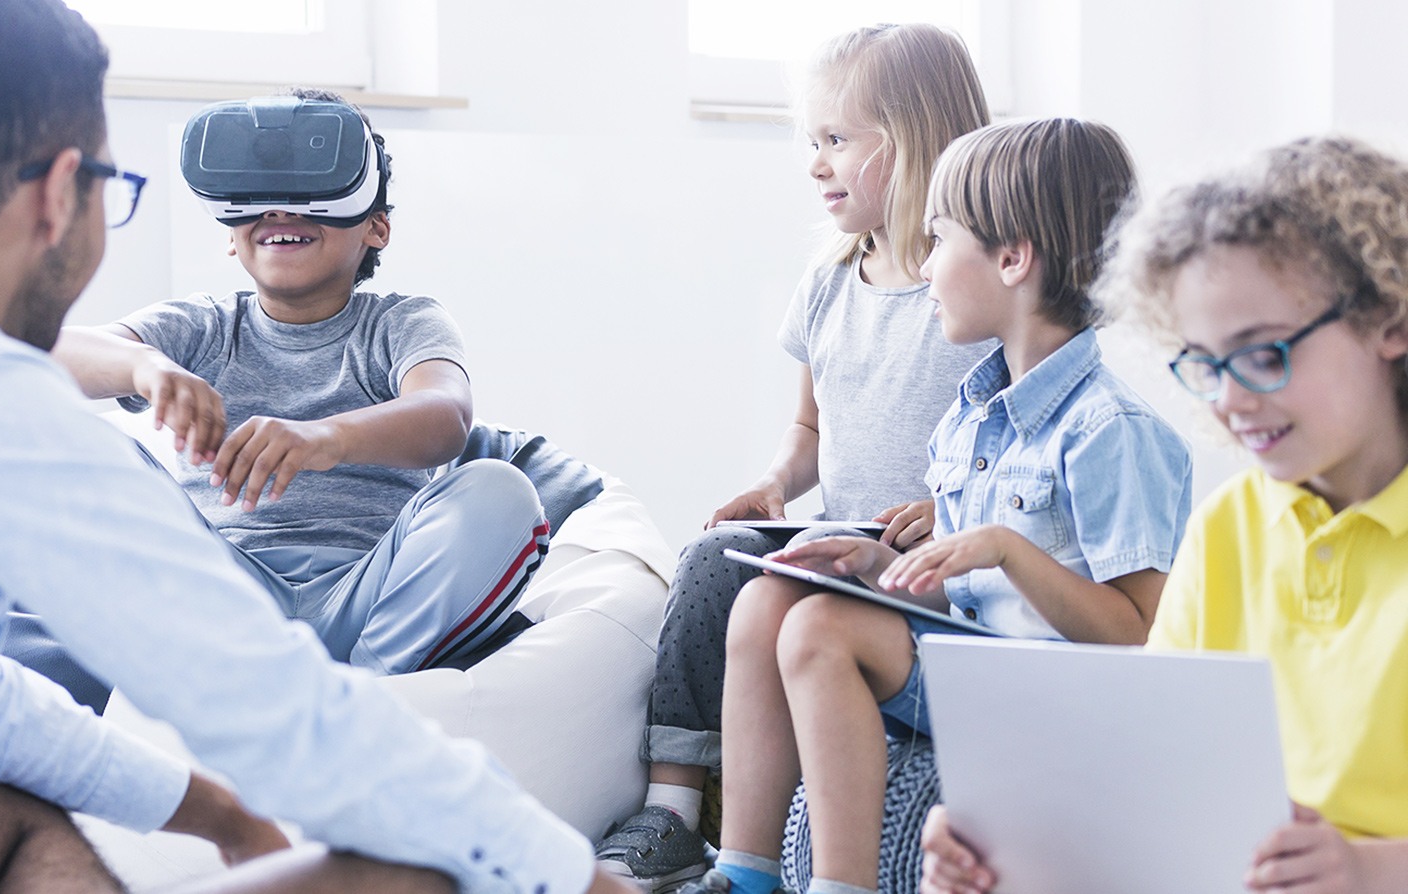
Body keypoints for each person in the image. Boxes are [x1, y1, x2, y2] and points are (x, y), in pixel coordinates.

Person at [0, 2, 629, 893]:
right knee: (414, 870)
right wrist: (571, 877)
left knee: (1, 816)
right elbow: (265, 704)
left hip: (351, 587)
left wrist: (224, 816)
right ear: (63, 191)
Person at [694, 118, 1192, 894]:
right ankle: (742, 876)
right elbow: (962, 595)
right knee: (767, 600)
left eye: (937, 240)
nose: (922, 269)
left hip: (1051, 701)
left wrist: (1008, 549)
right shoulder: (968, 416)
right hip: (966, 664)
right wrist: (880, 564)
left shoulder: (1110, 432)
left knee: (822, 629)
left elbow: (1136, 638)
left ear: (1011, 257)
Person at [920, 136, 1408, 894]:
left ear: (1389, 320)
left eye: (1262, 353)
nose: (1230, 402)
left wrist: (1368, 870)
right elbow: (1148, 768)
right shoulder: (1231, 526)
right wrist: (1009, 835)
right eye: (1205, 364)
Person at [595, 25, 992, 892]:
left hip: (933, 556)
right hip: (841, 537)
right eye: (810, 141)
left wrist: (946, 511)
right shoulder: (828, 277)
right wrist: (775, 485)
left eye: (837, 140)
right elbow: (811, 430)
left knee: (784, 608)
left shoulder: (973, 292)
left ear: (916, 138)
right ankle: (687, 820)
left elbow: (1010, 451)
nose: (815, 163)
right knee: (711, 566)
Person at [47, 87, 545, 677]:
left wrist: (324, 438)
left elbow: (446, 415)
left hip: (370, 591)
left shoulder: (401, 322)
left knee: (499, 489)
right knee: (87, 447)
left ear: (376, 228)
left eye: (313, 193)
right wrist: (145, 367)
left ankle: (364, 691)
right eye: (256, 203)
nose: (280, 213)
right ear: (230, 236)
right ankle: (241, 673)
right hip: (224, 590)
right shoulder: (206, 325)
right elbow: (47, 354)